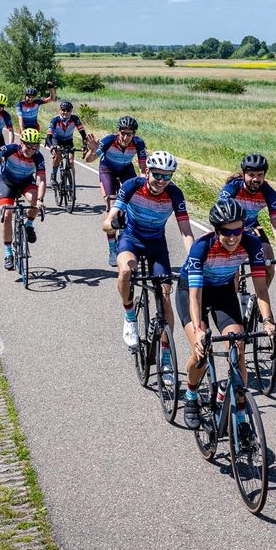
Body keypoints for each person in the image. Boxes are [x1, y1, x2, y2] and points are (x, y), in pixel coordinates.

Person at [178, 199, 276, 430]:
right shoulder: (201, 248)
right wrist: (199, 331)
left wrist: (268, 321)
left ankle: (240, 414)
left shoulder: (252, 245)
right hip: (193, 292)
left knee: (238, 346)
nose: (232, 237)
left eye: (237, 231)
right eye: (226, 232)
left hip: (223, 291)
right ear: (216, 230)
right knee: (200, 353)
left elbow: (260, 289)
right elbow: (194, 297)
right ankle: (191, 394)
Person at [102, 152, 194, 383]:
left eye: (167, 176)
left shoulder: (174, 194)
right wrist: (113, 222)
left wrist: (194, 260)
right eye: (156, 174)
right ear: (146, 172)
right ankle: (130, 315)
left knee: (164, 297)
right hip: (131, 238)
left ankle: (165, 357)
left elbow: (185, 230)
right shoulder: (132, 185)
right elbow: (107, 221)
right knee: (125, 270)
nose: (161, 180)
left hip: (156, 243)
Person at [85, 116, 149, 266]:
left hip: (126, 169)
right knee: (112, 205)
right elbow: (89, 159)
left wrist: (144, 185)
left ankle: (131, 238)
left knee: (134, 202)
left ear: (134, 134)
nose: (126, 137)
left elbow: (142, 168)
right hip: (108, 170)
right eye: (123, 133)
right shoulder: (109, 140)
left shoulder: (138, 143)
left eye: (129, 134)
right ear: (118, 131)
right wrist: (92, 151)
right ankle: (113, 249)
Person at [219, 153, 276, 285]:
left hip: (253, 227)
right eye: (251, 175)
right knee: (231, 271)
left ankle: (258, 302)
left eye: (260, 175)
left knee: (268, 263)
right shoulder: (232, 188)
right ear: (244, 174)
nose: (256, 179)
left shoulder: (269, 193)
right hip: (231, 228)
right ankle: (233, 302)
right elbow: (220, 216)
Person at [0, 128, 47, 271]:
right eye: (28, 145)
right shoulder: (11, 149)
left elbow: (41, 179)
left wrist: (40, 200)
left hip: (25, 182)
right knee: (7, 215)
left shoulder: (38, 156)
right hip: (8, 182)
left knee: (34, 199)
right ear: (21, 142)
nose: (31, 149)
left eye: (34, 146)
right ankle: (8, 254)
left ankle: (29, 225)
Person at [46, 100, 95, 185]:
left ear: (71, 111)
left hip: (68, 141)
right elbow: (48, 137)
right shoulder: (55, 120)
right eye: (63, 110)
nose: (66, 112)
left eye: (68, 110)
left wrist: (84, 146)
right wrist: (52, 147)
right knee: (57, 157)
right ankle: (53, 176)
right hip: (56, 140)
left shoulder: (75, 119)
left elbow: (83, 134)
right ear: (60, 110)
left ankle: (72, 183)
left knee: (71, 161)